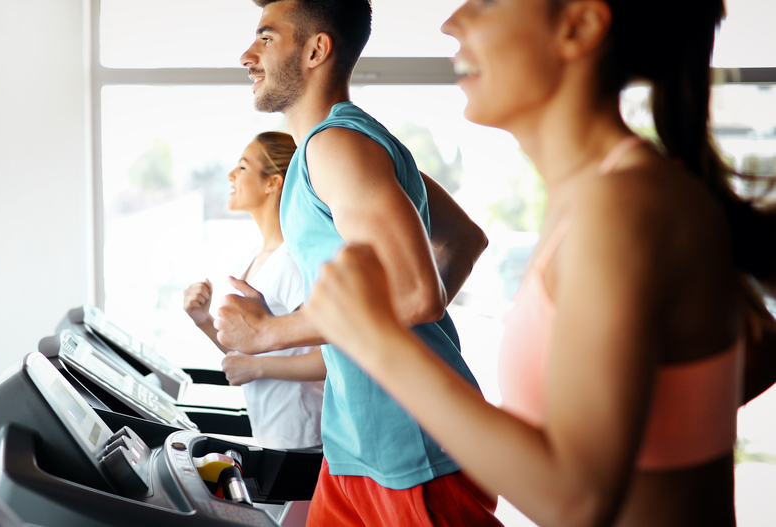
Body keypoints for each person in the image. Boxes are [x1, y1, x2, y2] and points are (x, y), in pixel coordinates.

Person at [304, 1, 776, 526]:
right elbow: (754, 352)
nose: (451, 22)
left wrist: (377, 340)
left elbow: (576, 502)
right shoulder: (600, 196)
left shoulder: (622, 205)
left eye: (487, 2)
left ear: (578, 26)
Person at [216, 1, 497, 525]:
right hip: (353, 437)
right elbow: (463, 241)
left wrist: (268, 333)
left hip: (410, 440)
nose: (247, 55)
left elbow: (416, 294)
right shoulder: (335, 146)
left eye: (266, 38)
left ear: (316, 50)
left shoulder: (338, 145)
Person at [183, 131, 326, 450]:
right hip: (272, 433)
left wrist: (258, 368)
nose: (231, 175)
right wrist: (203, 320)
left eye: (243, 167)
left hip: (303, 439)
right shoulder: (255, 257)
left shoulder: (291, 262)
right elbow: (250, 351)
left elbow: (332, 359)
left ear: (272, 183)